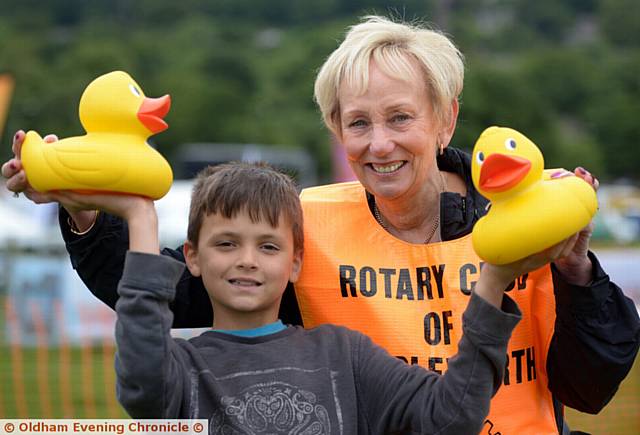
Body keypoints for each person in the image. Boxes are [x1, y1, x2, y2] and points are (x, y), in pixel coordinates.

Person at [3, 15, 639, 434]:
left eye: (400, 118)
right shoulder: (302, 224)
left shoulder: (523, 219)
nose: (379, 143)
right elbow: (156, 290)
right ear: (336, 131)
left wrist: (578, 272)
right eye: (357, 122)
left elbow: (590, 386)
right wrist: (86, 210)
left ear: (445, 119)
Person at [101, 161, 524, 432]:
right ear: (191, 257)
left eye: (268, 246)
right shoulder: (179, 369)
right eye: (226, 244)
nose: (247, 260)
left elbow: (452, 418)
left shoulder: (345, 356)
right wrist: (141, 216)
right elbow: (140, 377)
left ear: (296, 263)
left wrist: (492, 285)